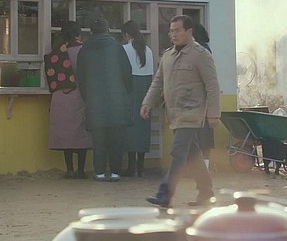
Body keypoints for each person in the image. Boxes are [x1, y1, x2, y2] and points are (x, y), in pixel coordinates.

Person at [143, 15, 219, 208]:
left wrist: (214, 113)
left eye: (177, 30)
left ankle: (165, 195)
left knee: (178, 153)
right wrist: (147, 102)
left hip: (192, 112)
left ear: (189, 31)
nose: (173, 34)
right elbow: (158, 82)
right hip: (174, 113)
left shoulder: (200, 54)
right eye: (171, 31)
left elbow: (212, 85)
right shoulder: (167, 56)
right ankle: (206, 193)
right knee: (193, 155)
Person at [76, 19, 133, 182]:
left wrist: (88, 97)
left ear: (91, 32)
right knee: (116, 140)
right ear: (107, 30)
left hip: (95, 101)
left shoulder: (84, 50)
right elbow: (127, 73)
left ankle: (100, 172)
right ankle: (115, 172)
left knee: (99, 140)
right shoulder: (117, 47)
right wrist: (125, 93)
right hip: (117, 100)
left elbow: (81, 78)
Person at [46, 21, 91, 179]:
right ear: (78, 34)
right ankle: (81, 170)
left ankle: (70, 170)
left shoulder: (56, 52)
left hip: (60, 97)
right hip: (80, 95)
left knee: (66, 134)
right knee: (81, 133)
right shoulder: (84, 51)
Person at [121, 20, 154, 177]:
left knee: (130, 126)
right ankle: (141, 167)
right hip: (146, 88)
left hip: (129, 88)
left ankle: (131, 166)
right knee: (143, 126)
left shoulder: (124, 49)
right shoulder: (148, 50)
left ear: (127, 34)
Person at [192, 23, 215, 170]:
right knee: (204, 135)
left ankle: (201, 168)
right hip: (204, 98)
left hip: (199, 98)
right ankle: (204, 166)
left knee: (199, 135)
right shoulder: (206, 49)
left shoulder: (200, 51)